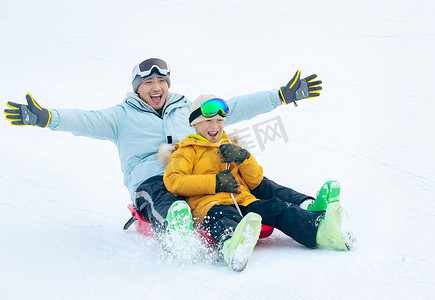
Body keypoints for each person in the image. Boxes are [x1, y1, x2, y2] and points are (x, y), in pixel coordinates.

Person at [3, 58, 323, 242]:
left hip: (197, 174)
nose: (156, 87)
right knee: (161, 196)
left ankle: (305, 205)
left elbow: (235, 107)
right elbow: (86, 120)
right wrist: (46, 117)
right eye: (148, 83)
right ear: (137, 88)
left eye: (161, 81)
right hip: (152, 179)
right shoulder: (121, 116)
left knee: (248, 175)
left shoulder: (188, 109)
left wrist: (281, 95)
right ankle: (177, 230)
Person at [163, 95, 355, 271]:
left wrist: (243, 156)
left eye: (220, 120)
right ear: (194, 124)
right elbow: (174, 181)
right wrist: (214, 182)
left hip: (244, 201)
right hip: (209, 206)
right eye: (208, 121)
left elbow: (255, 180)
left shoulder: (228, 144)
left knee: (277, 208)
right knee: (224, 219)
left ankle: (320, 231)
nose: (215, 126)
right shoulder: (186, 151)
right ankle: (232, 247)